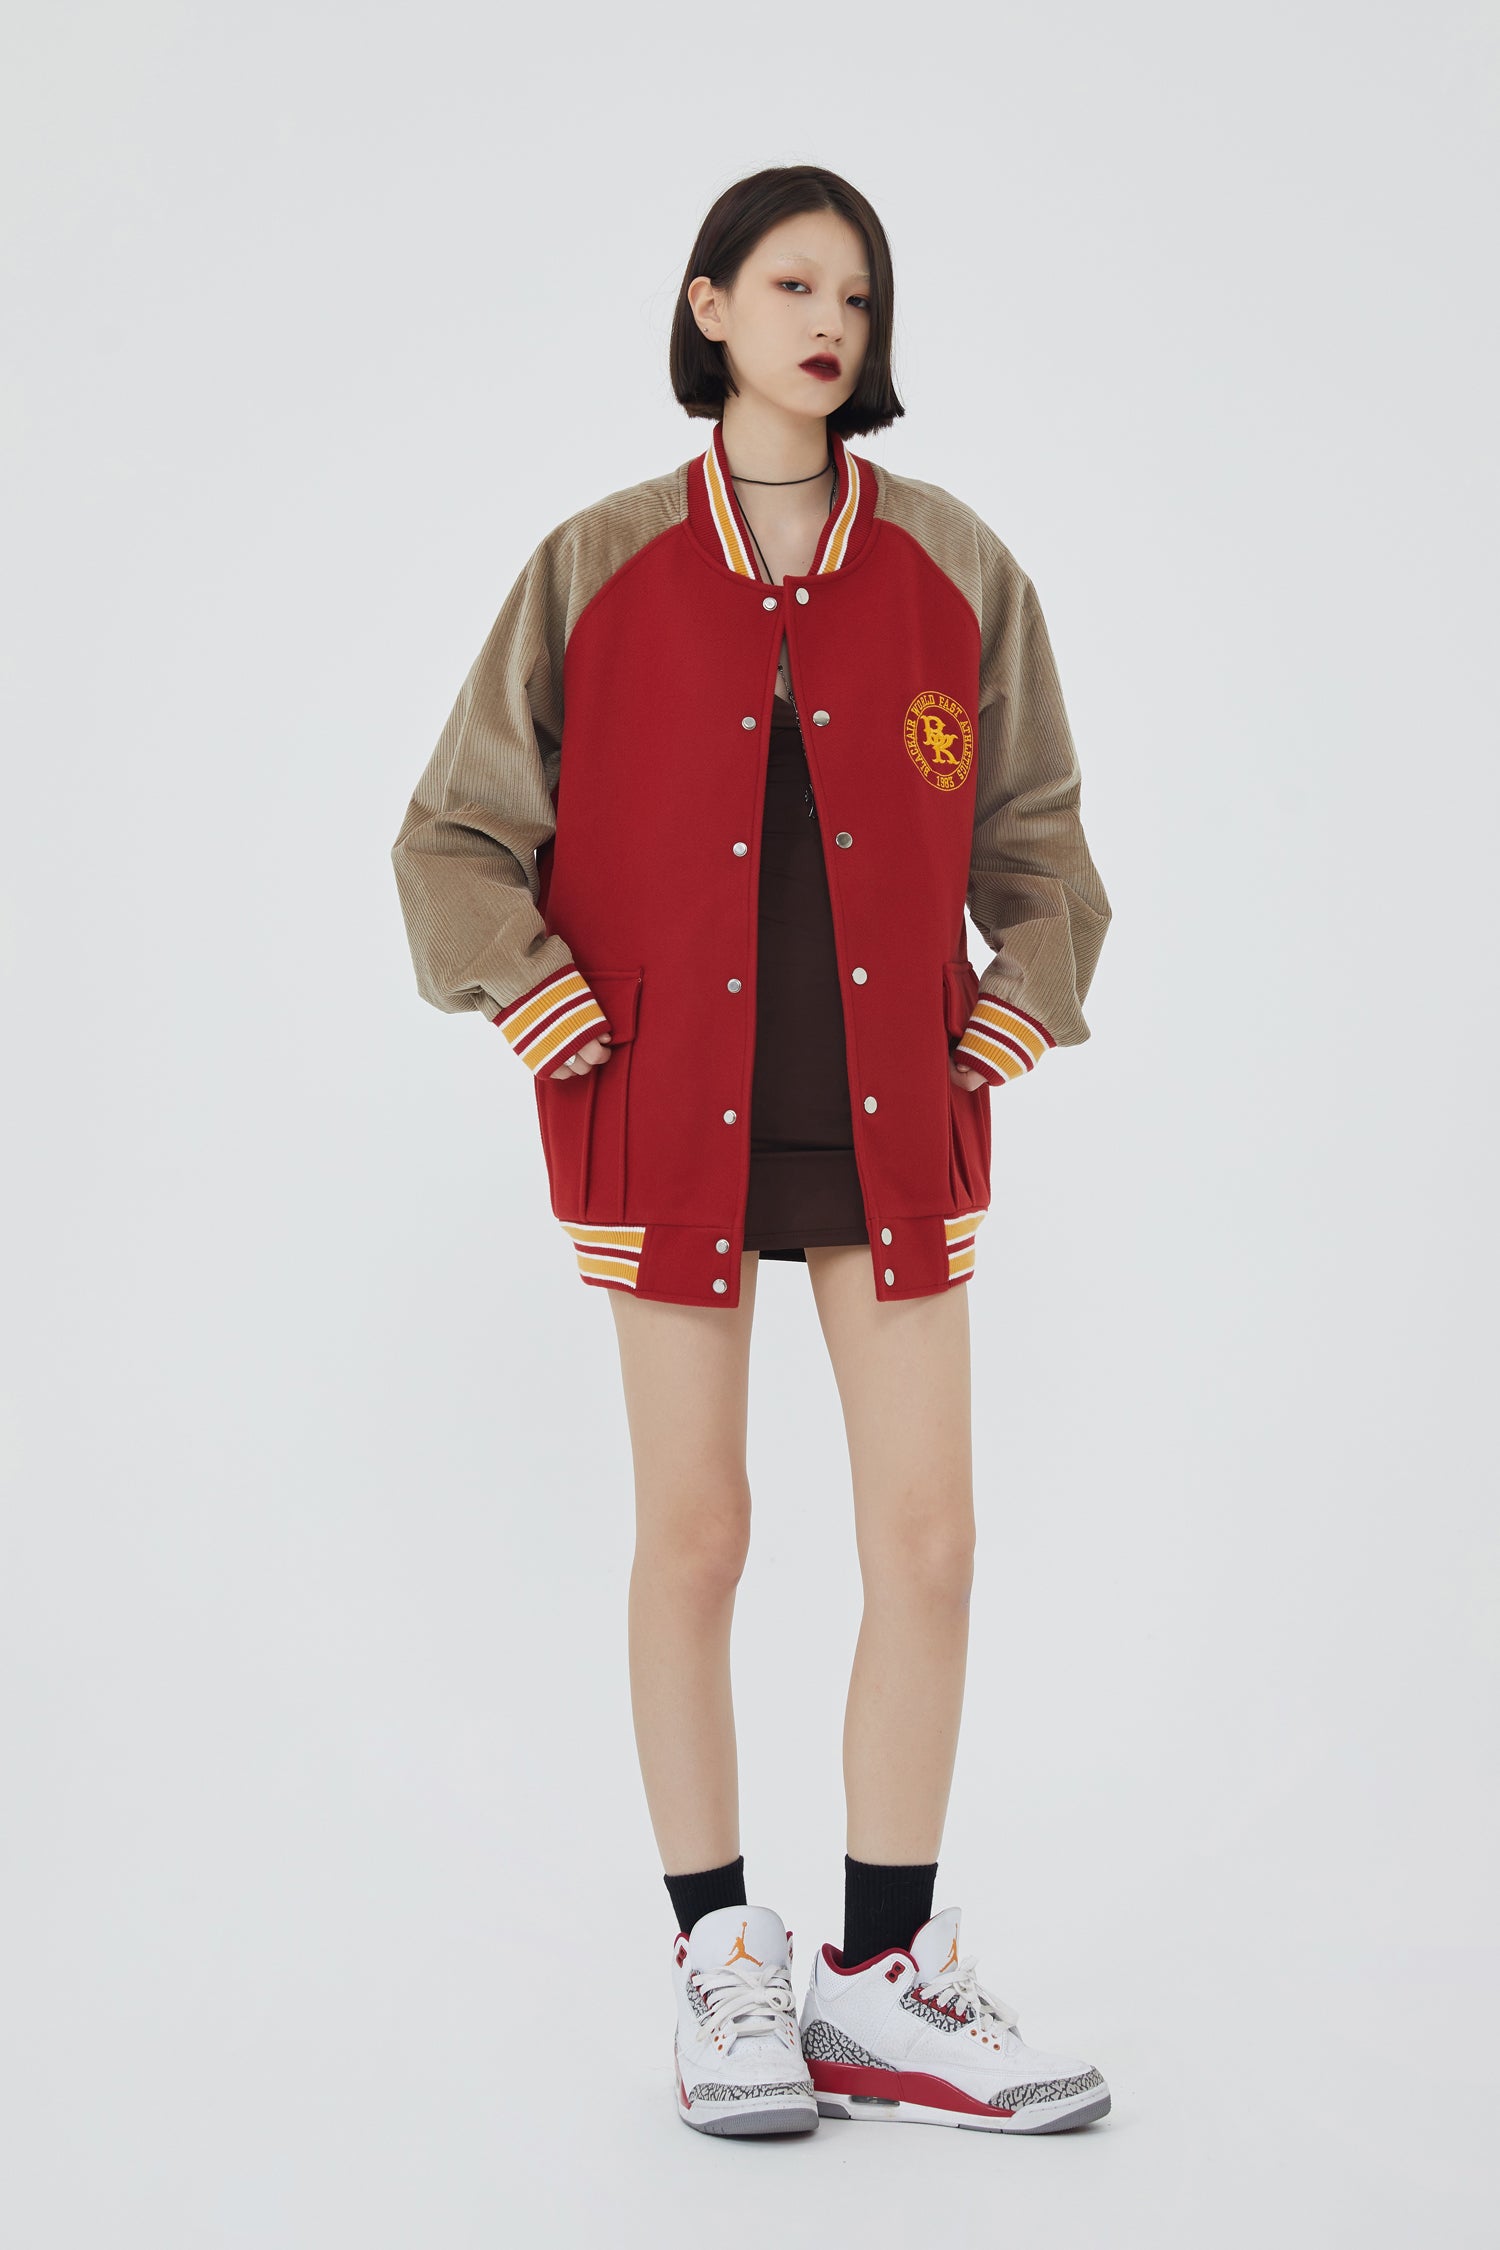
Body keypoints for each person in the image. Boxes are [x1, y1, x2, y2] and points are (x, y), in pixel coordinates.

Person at [391, 165, 1112, 2140]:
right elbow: (452, 835)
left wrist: (1023, 994)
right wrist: (532, 993)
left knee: (931, 1541)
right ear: (708, 306)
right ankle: (721, 1960)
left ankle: (880, 1981)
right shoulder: (597, 563)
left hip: (894, 1114)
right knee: (698, 1534)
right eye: (792, 285)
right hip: (667, 1116)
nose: (829, 324)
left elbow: (1040, 838)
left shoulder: (954, 563)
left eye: (857, 298)